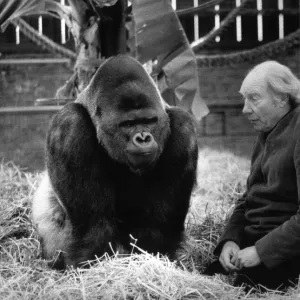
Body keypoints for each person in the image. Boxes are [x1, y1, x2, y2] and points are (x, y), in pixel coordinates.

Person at [204, 61, 300, 291]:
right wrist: (231, 240)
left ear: (282, 98)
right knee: (202, 282)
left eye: (254, 98)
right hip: (252, 246)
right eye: (244, 99)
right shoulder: (267, 131)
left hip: (285, 252)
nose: (245, 109)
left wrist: (261, 252)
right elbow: (248, 199)